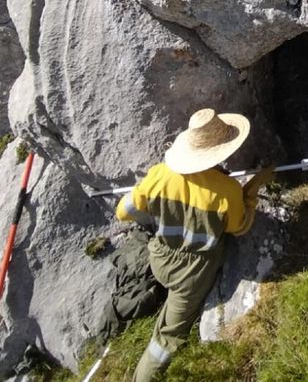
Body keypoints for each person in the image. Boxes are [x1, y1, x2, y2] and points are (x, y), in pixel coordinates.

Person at [115, 108, 274, 381]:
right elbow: (239, 227)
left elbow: (123, 212)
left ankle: (163, 298)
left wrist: (152, 196)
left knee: (171, 299)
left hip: (161, 257)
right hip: (193, 272)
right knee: (168, 336)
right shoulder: (227, 190)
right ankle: (143, 378)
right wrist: (250, 193)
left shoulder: (158, 174)